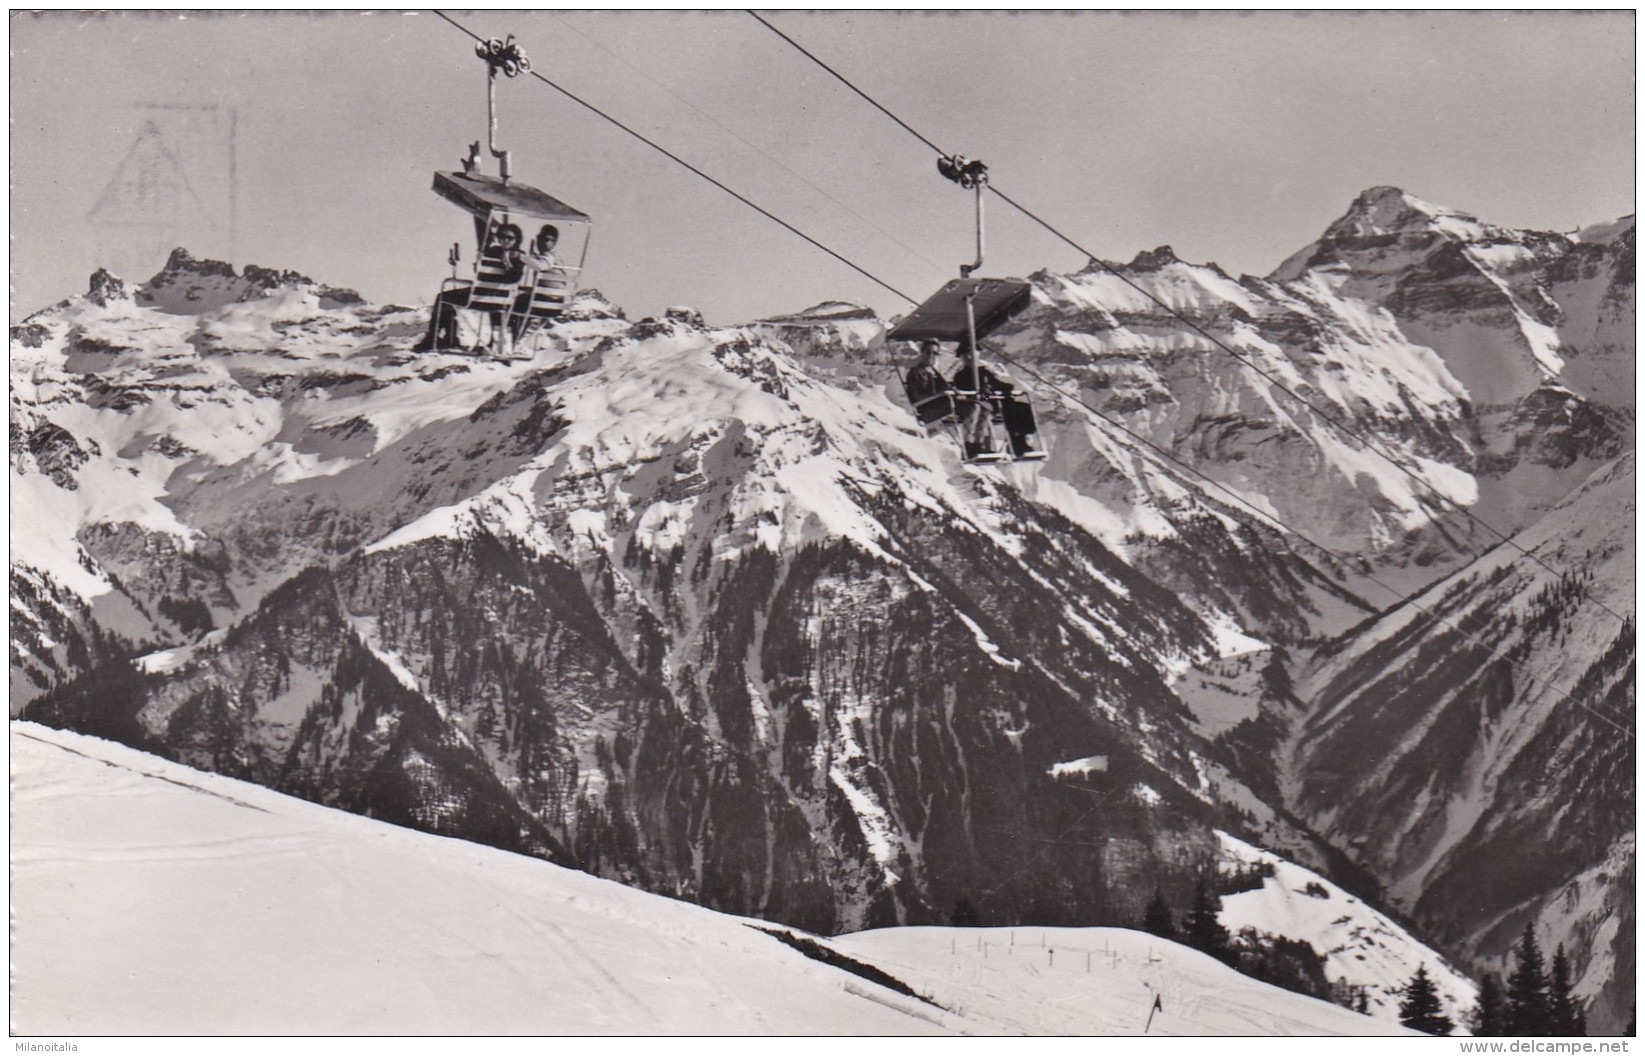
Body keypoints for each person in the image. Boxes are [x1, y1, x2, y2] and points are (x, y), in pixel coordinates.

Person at [414, 222, 525, 352]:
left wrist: (505, 261)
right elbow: (514, 278)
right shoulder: (518, 256)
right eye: (502, 236)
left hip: (479, 297)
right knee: (449, 299)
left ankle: (440, 338)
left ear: (516, 240)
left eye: (510, 238)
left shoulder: (491, 251)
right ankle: (450, 338)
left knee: (443, 298)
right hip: (501, 301)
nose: (505, 240)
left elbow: (483, 273)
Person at [512, 224, 571, 339]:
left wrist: (521, 257)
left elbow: (541, 266)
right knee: (521, 301)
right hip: (554, 301)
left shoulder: (549, 256)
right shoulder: (550, 256)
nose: (542, 242)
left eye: (547, 240)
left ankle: (512, 339)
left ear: (554, 243)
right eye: (540, 238)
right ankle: (515, 338)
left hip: (549, 302)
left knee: (515, 304)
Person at [904, 339, 958, 424]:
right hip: (928, 410)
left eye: (935, 353)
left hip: (941, 405)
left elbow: (944, 386)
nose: (931, 356)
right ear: (922, 353)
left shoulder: (934, 372)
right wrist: (939, 394)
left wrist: (951, 389)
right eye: (928, 352)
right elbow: (918, 396)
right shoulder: (915, 372)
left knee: (977, 407)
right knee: (970, 407)